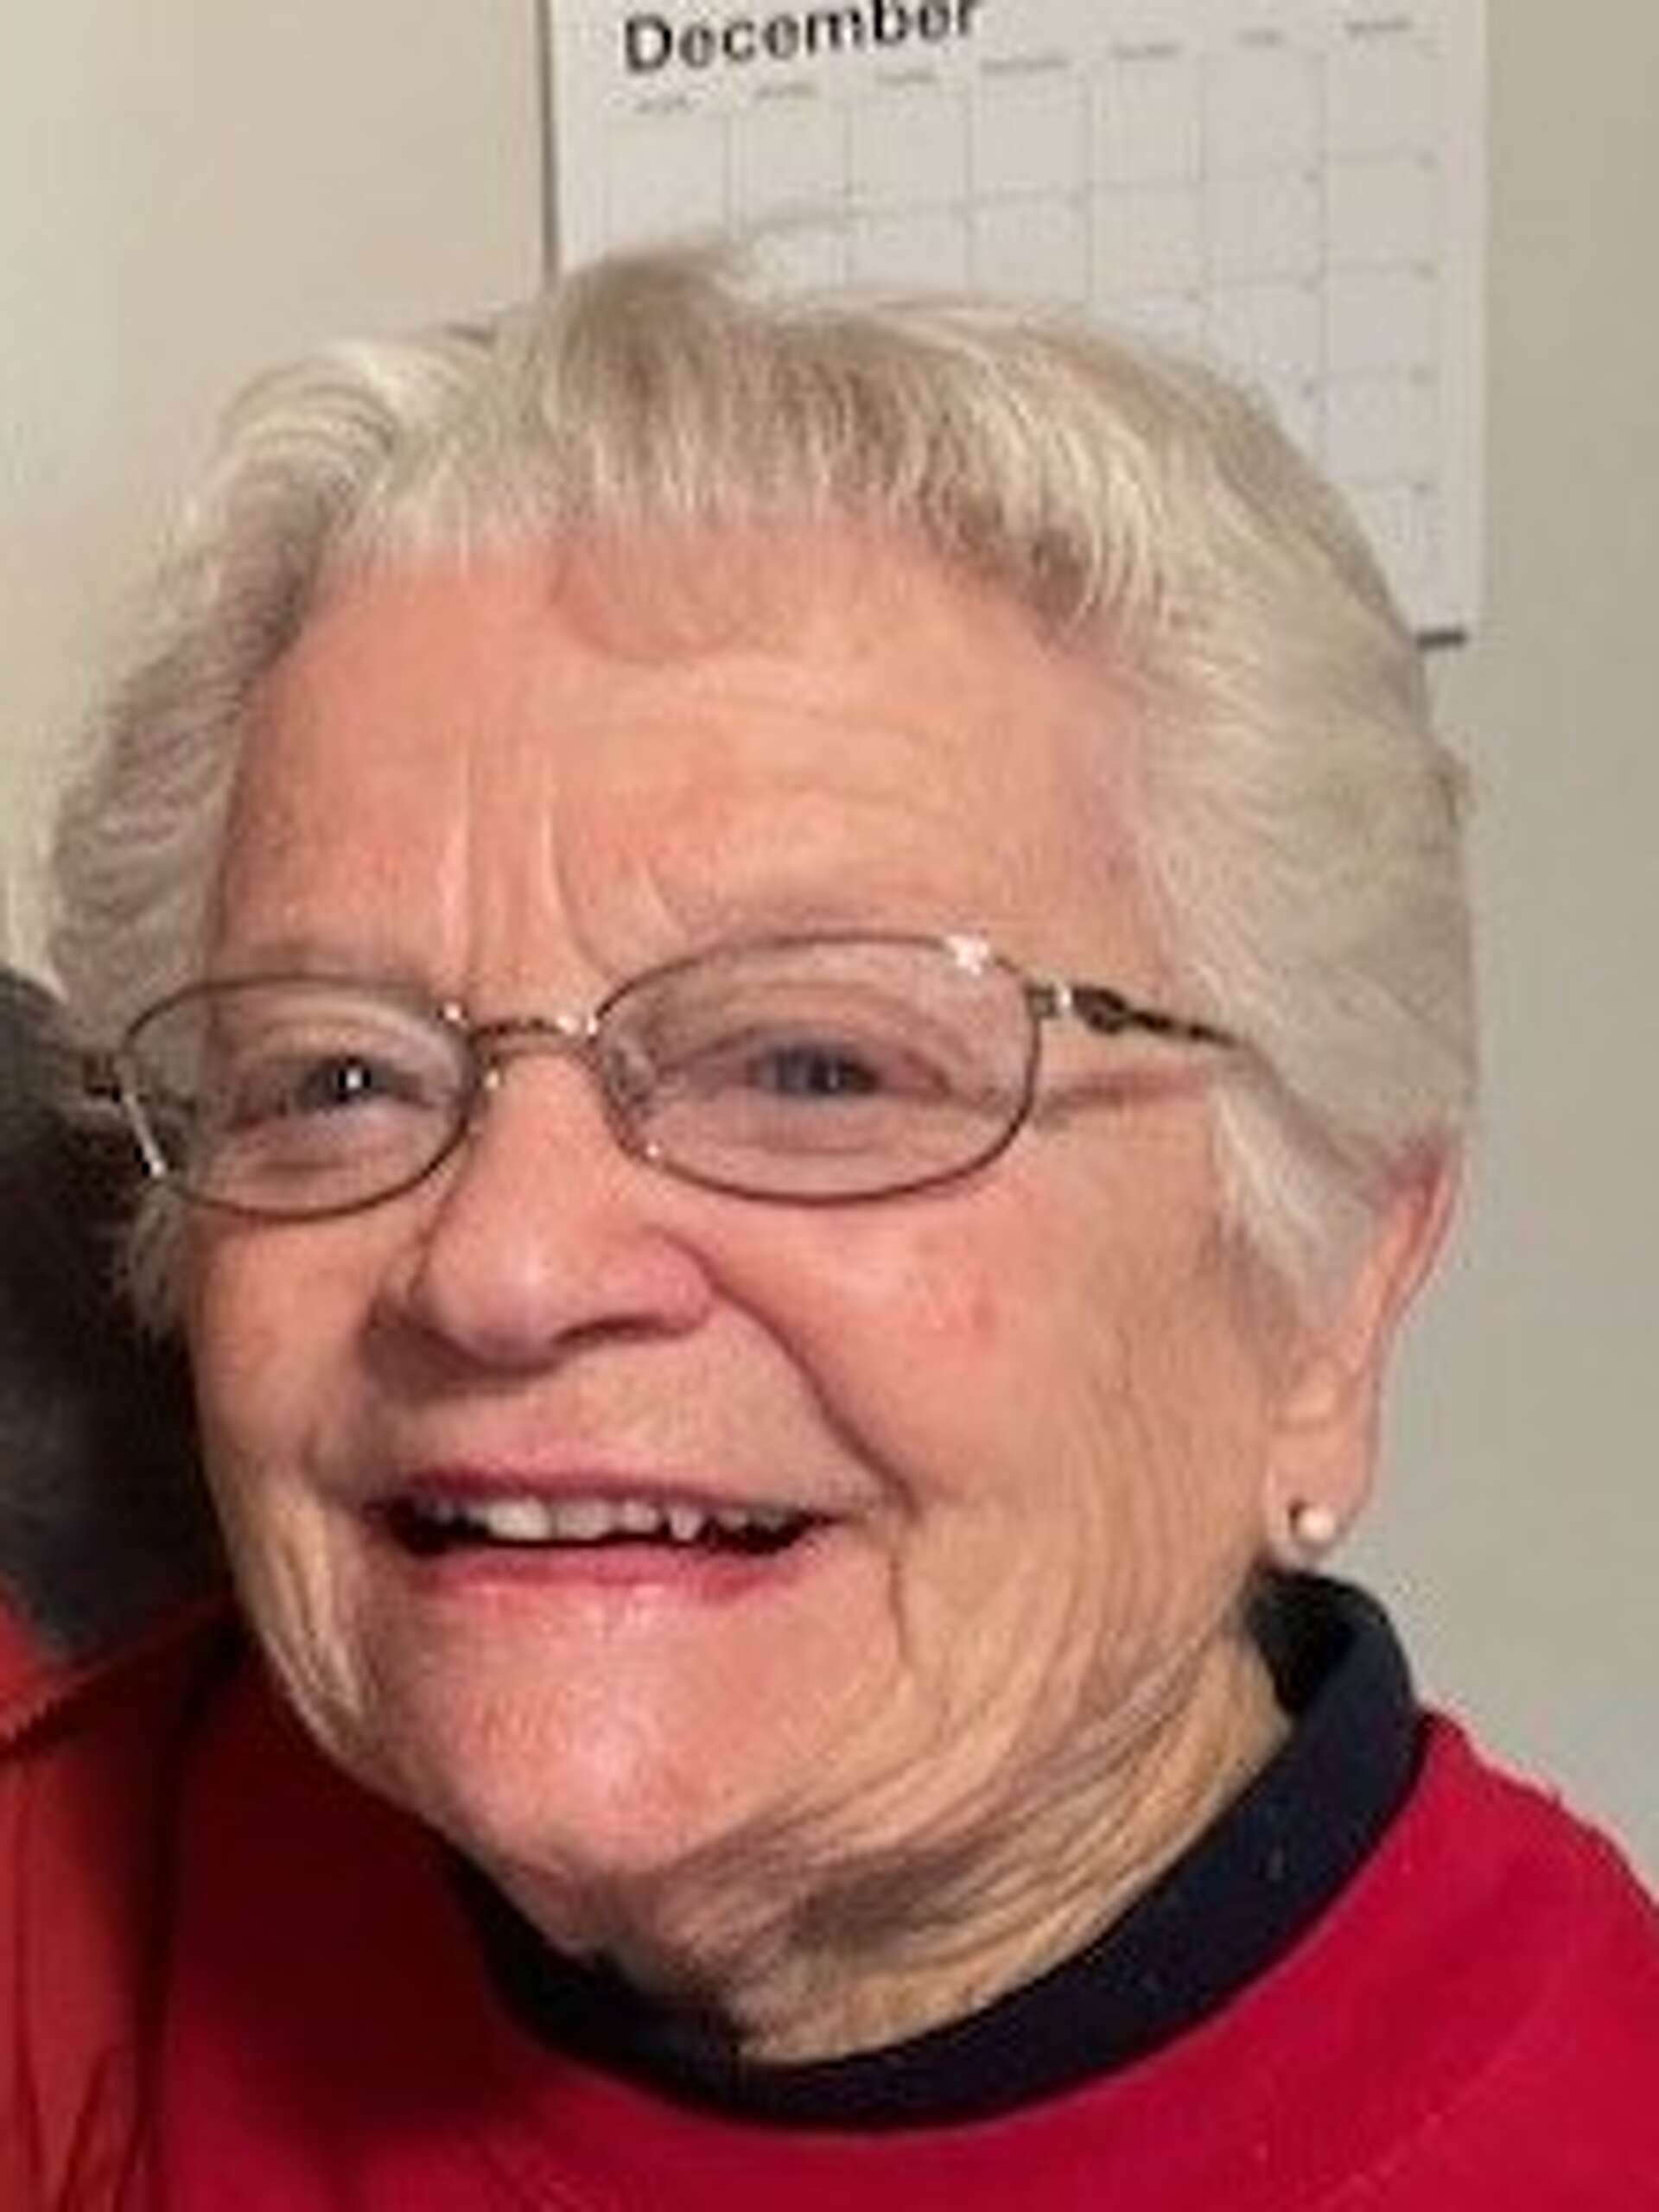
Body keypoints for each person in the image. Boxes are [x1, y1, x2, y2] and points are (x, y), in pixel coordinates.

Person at [4, 246, 1656, 2209]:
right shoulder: (99, 1879)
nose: (503, 1266)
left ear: (1332, 1300)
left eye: (813, 1066)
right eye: (339, 1074)